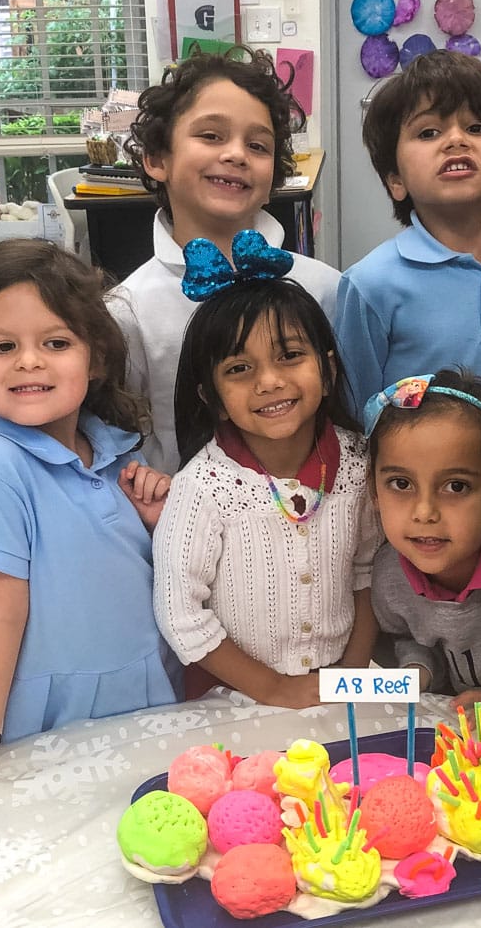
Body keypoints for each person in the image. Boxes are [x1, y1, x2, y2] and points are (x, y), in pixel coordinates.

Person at [0, 239, 180, 791]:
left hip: (148, 691)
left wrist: (159, 523)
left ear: (96, 357)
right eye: (3, 346)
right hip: (60, 717)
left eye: (55, 342)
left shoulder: (117, 451)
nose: (29, 361)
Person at [153, 231, 378, 708]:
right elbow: (180, 614)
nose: (270, 382)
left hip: (340, 694)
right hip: (233, 701)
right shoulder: (202, 488)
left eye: (290, 356)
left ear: (328, 370)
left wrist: (350, 679)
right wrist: (275, 689)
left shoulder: (359, 464)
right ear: (210, 398)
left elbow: (367, 574)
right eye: (239, 368)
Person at [114, 47, 341, 472]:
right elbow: (122, 440)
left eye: (257, 145)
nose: (236, 154)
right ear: (156, 159)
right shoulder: (127, 310)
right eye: (211, 136)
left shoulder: (324, 287)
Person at [334, 51, 481, 407]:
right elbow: (357, 414)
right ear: (395, 180)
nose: (456, 140)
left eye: (477, 127)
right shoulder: (370, 284)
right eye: (428, 132)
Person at [363, 368, 481, 724]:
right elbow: (409, 638)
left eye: (455, 487)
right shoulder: (388, 574)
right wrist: (417, 670)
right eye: (400, 483)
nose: (424, 512)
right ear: (373, 490)